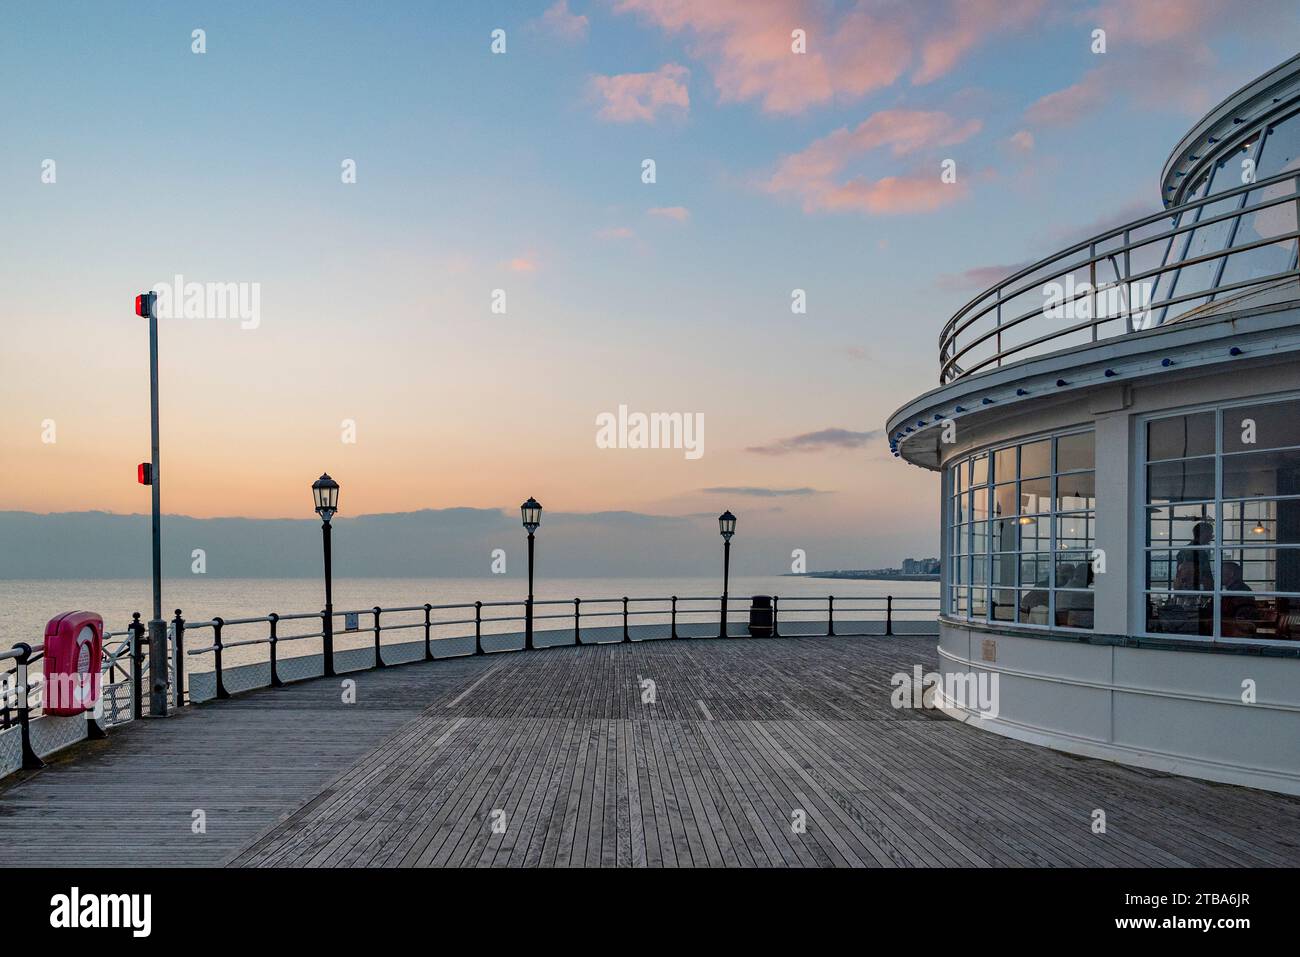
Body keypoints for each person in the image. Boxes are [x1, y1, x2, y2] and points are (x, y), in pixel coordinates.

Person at [1220, 561, 1258, 637]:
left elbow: (1227, 611)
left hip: (1238, 632)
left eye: (1221, 572)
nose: (1219, 576)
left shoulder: (1236, 591)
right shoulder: (1239, 588)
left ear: (1231, 574)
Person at [1174, 521, 1215, 592]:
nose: (1212, 536)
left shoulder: (1184, 550)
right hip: (1195, 591)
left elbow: (1180, 574)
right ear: (1203, 533)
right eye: (1211, 533)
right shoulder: (1200, 552)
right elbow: (1202, 575)